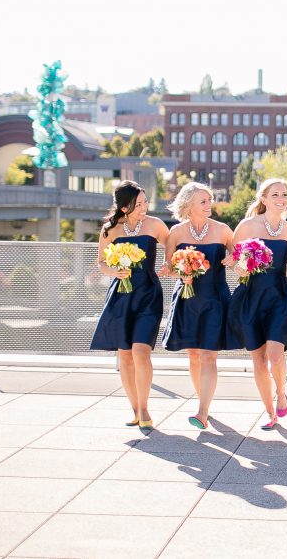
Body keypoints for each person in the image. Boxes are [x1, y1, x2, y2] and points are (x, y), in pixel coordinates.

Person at [90, 180, 169, 431]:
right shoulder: (109, 229)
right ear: (124, 207)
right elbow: (101, 263)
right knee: (124, 354)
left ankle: (145, 408)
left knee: (141, 351)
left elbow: (174, 249)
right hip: (121, 296)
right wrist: (114, 271)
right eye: (139, 203)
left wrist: (174, 266)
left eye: (146, 202)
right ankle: (135, 409)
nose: (145, 207)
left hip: (149, 294)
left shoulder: (155, 225)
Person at [160, 182, 239, 430]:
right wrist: (177, 274)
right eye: (203, 201)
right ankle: (203, 401)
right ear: (189, 205)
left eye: (210, 200)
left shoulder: (224, 230)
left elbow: (239, 258)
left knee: (208, 356)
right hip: (187, 299)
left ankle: (202, 412)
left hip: (215, 299)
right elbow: (170, 267)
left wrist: (233, 258)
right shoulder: (177, 233)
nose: (209, 205)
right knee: (193, 356)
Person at [227, 178, 287, 430]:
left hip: (279, 297)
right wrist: (239, 265)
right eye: (276, 194)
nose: (281, 198)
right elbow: (234, 262)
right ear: (263, 199)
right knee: (258, 358)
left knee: (275, 355)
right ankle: (269, 412)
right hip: (251, 296)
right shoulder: (247, 226)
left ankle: (281, 392)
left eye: (285, 194)